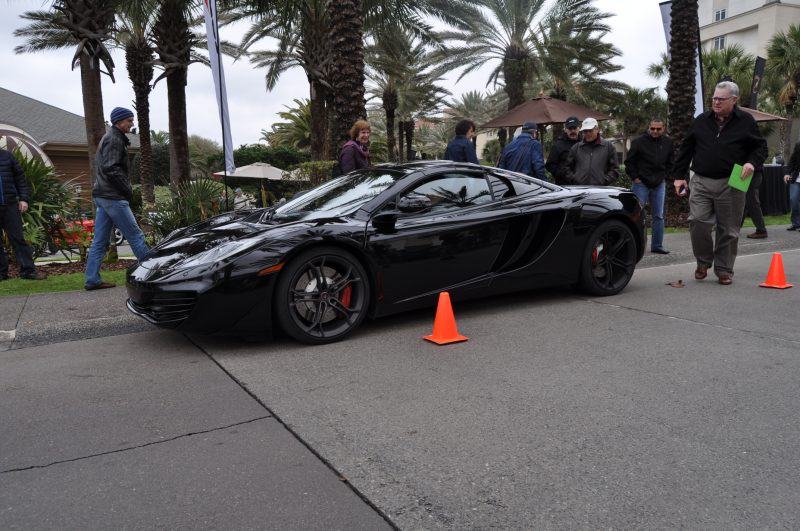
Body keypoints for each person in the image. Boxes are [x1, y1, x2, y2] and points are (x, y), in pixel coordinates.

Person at [672, 81, 768, 286]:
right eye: (714, 98)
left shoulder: (746, 121)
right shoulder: (701, 120)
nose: (715, 102)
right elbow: (686, 149)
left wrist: (751, 163)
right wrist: (679, 176)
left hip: (734, 179)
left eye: (720, 99)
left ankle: (724, 269)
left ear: (734, 100)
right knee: (697, 221)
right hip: (701, 179)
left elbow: (760, 148)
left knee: (729, 228)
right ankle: (703, 261)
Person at [84, 106, 151, 290]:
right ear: (119, 122)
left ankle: (92, 280)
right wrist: (127, 189)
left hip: (102, 195)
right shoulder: (114, 139)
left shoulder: (111, 137)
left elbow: (107, 168)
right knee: (136, 236)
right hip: (113, 196)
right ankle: (153, 275)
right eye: (129, 120)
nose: (132, 123)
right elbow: (111, 168)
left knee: (100, 241)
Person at [625, 118, 674, 254]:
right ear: (649, 128)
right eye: (652, 128)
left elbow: (671, 162)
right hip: (641, 184)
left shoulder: (668, 143)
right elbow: (629, 162)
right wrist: (635, 178)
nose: (655, 131)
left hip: (659, 184)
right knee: (635, 214)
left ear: (663, 128)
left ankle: (657, 245)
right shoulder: (639, 142)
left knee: (658, 216)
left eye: (658, 129)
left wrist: (665, 176)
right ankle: (631, 245)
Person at [0, 147, 47, 280]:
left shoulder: (7, 156)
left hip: (10, 204)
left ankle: (28, 271)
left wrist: (24, 198)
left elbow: (20, 178)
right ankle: (1, 274)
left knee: (18, 239)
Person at [564, 117, 619, 186]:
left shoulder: (608, 147)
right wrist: (574, 180)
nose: (588, 133)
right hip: (580, 189)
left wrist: (604, 181)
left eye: (590, 130)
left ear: (597, 130)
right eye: (585, 131)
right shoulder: (576, 148)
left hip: (600, 190)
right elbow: (567, 168)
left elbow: (614, 169)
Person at [545, 115, 581, 185]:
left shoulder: (584, 144)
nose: (573, 131)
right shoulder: (558, 145)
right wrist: (562, 174)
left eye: (574, 128)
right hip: (564, 185)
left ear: (579, 128)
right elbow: (549, 165)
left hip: (582, 184)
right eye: (570, 129)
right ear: (565, 129)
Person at [741, 167, 768, 239]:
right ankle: (735, 227)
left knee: (752, 202)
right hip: (746, 171)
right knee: (744, 201)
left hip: (752, 173)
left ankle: (761, 230)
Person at [783, 141, 800, 231]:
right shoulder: (798, 145)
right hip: (797, 178)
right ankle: (796, 223)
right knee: (793, 199)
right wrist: (787, 173)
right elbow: (792, 161)